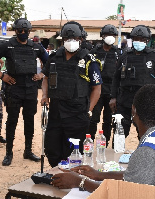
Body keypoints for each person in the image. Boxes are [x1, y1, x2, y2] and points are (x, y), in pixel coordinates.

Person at [51, 84, 155, 195]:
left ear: (133, 111)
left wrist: (79, 182)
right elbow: (137, 176)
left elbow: (125, 193)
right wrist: (98, 174)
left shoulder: (149, 151)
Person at [0, 18, 49, 166]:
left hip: (31, 88)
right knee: (12, 120)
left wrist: (41, 74)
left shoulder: (36, 47)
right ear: (16, 31)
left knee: (29, 120)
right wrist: (2, 75)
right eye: (20, 31)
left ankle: (28, 151)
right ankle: (9, 153)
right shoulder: (7, 46)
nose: (23, 33)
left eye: (26, 31)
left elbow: (49, 62)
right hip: (14, 87)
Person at [40, 21, 102, 168]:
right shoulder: (54, 57)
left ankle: (71, 179)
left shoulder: (88, 60)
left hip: (77, 113)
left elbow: (97, 88)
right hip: (56, 112)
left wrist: (89, 110)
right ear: (62, 40)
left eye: (74, 38)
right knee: (52, 148)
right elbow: (46, 78)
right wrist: (44, 95)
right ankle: (58, 173)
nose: (71, 42)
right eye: (67, 39)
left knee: (73, 152)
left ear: (81, 39)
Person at [109, 25, 155, 139]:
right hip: (125, 100)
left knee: (146, 135)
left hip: (146, 102)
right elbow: (116, 78)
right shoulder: (124, 56)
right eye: (136, 39)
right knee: (119, 134)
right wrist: (113, 97)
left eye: (142, 39)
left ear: (147, 41)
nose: (139, 42)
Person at [88, 24, 121, 144]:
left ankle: (105, 143)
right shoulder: (94, 52)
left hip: (111, 90)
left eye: (113, 35)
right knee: (93, 118)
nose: (110, 37)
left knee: (108, 120)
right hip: (96, 89)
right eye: (108, 35)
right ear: (102, 36)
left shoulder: (118, 53)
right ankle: (89, 141)